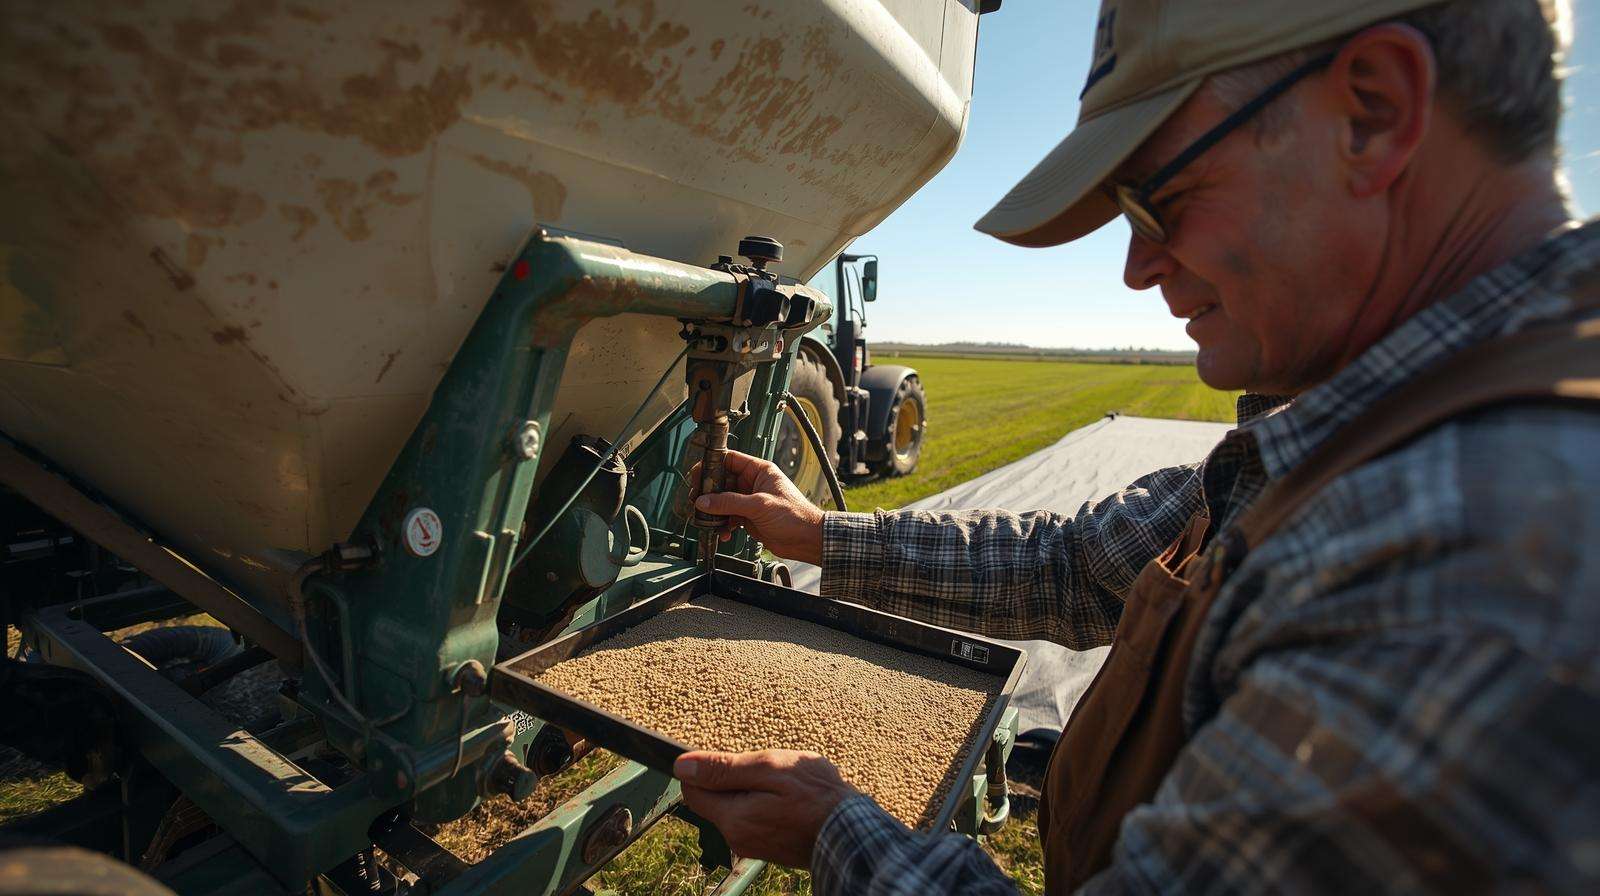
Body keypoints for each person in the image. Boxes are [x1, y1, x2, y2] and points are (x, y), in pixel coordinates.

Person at [673, 0, 1600, 892]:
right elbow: (1081, 568)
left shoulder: (1470, 554)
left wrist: (844, 838)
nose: (1136, 266)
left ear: (1375, 111)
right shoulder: (1357, 435)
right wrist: (818, 537)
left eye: (1158, 198)